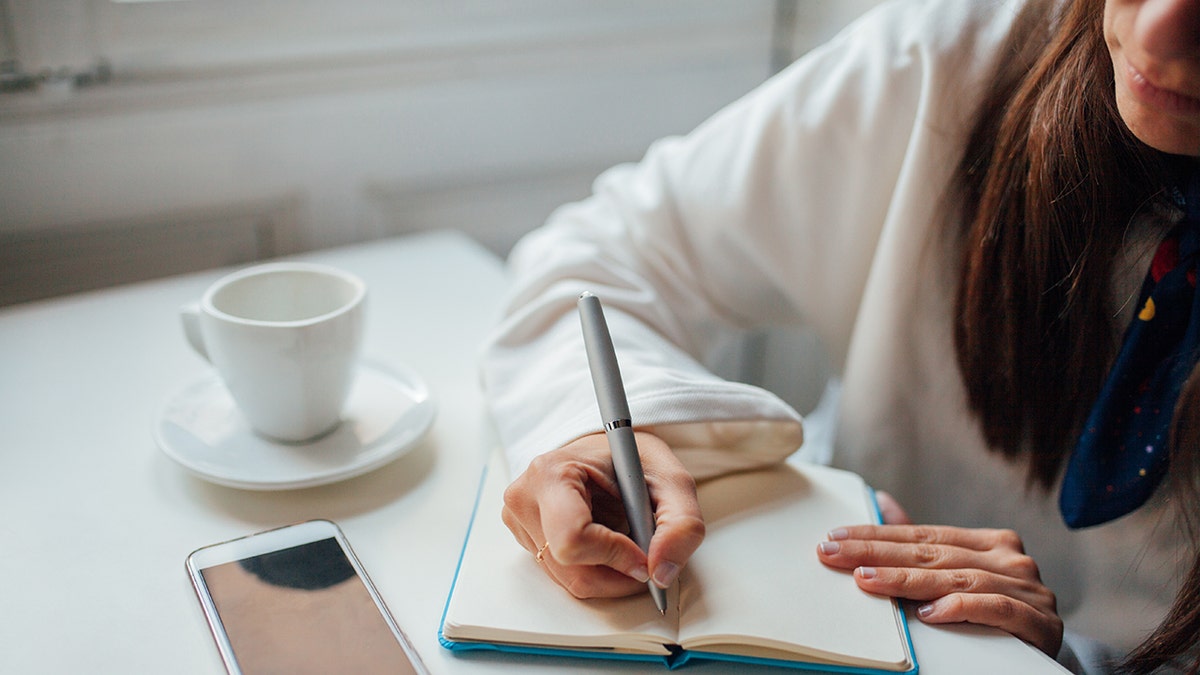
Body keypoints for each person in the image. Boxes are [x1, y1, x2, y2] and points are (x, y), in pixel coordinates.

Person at [480, 0, 1200, 672]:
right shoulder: (950, 60)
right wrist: (588, 433)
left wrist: (1048, 660)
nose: (1163, 28)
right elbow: (605, 253)